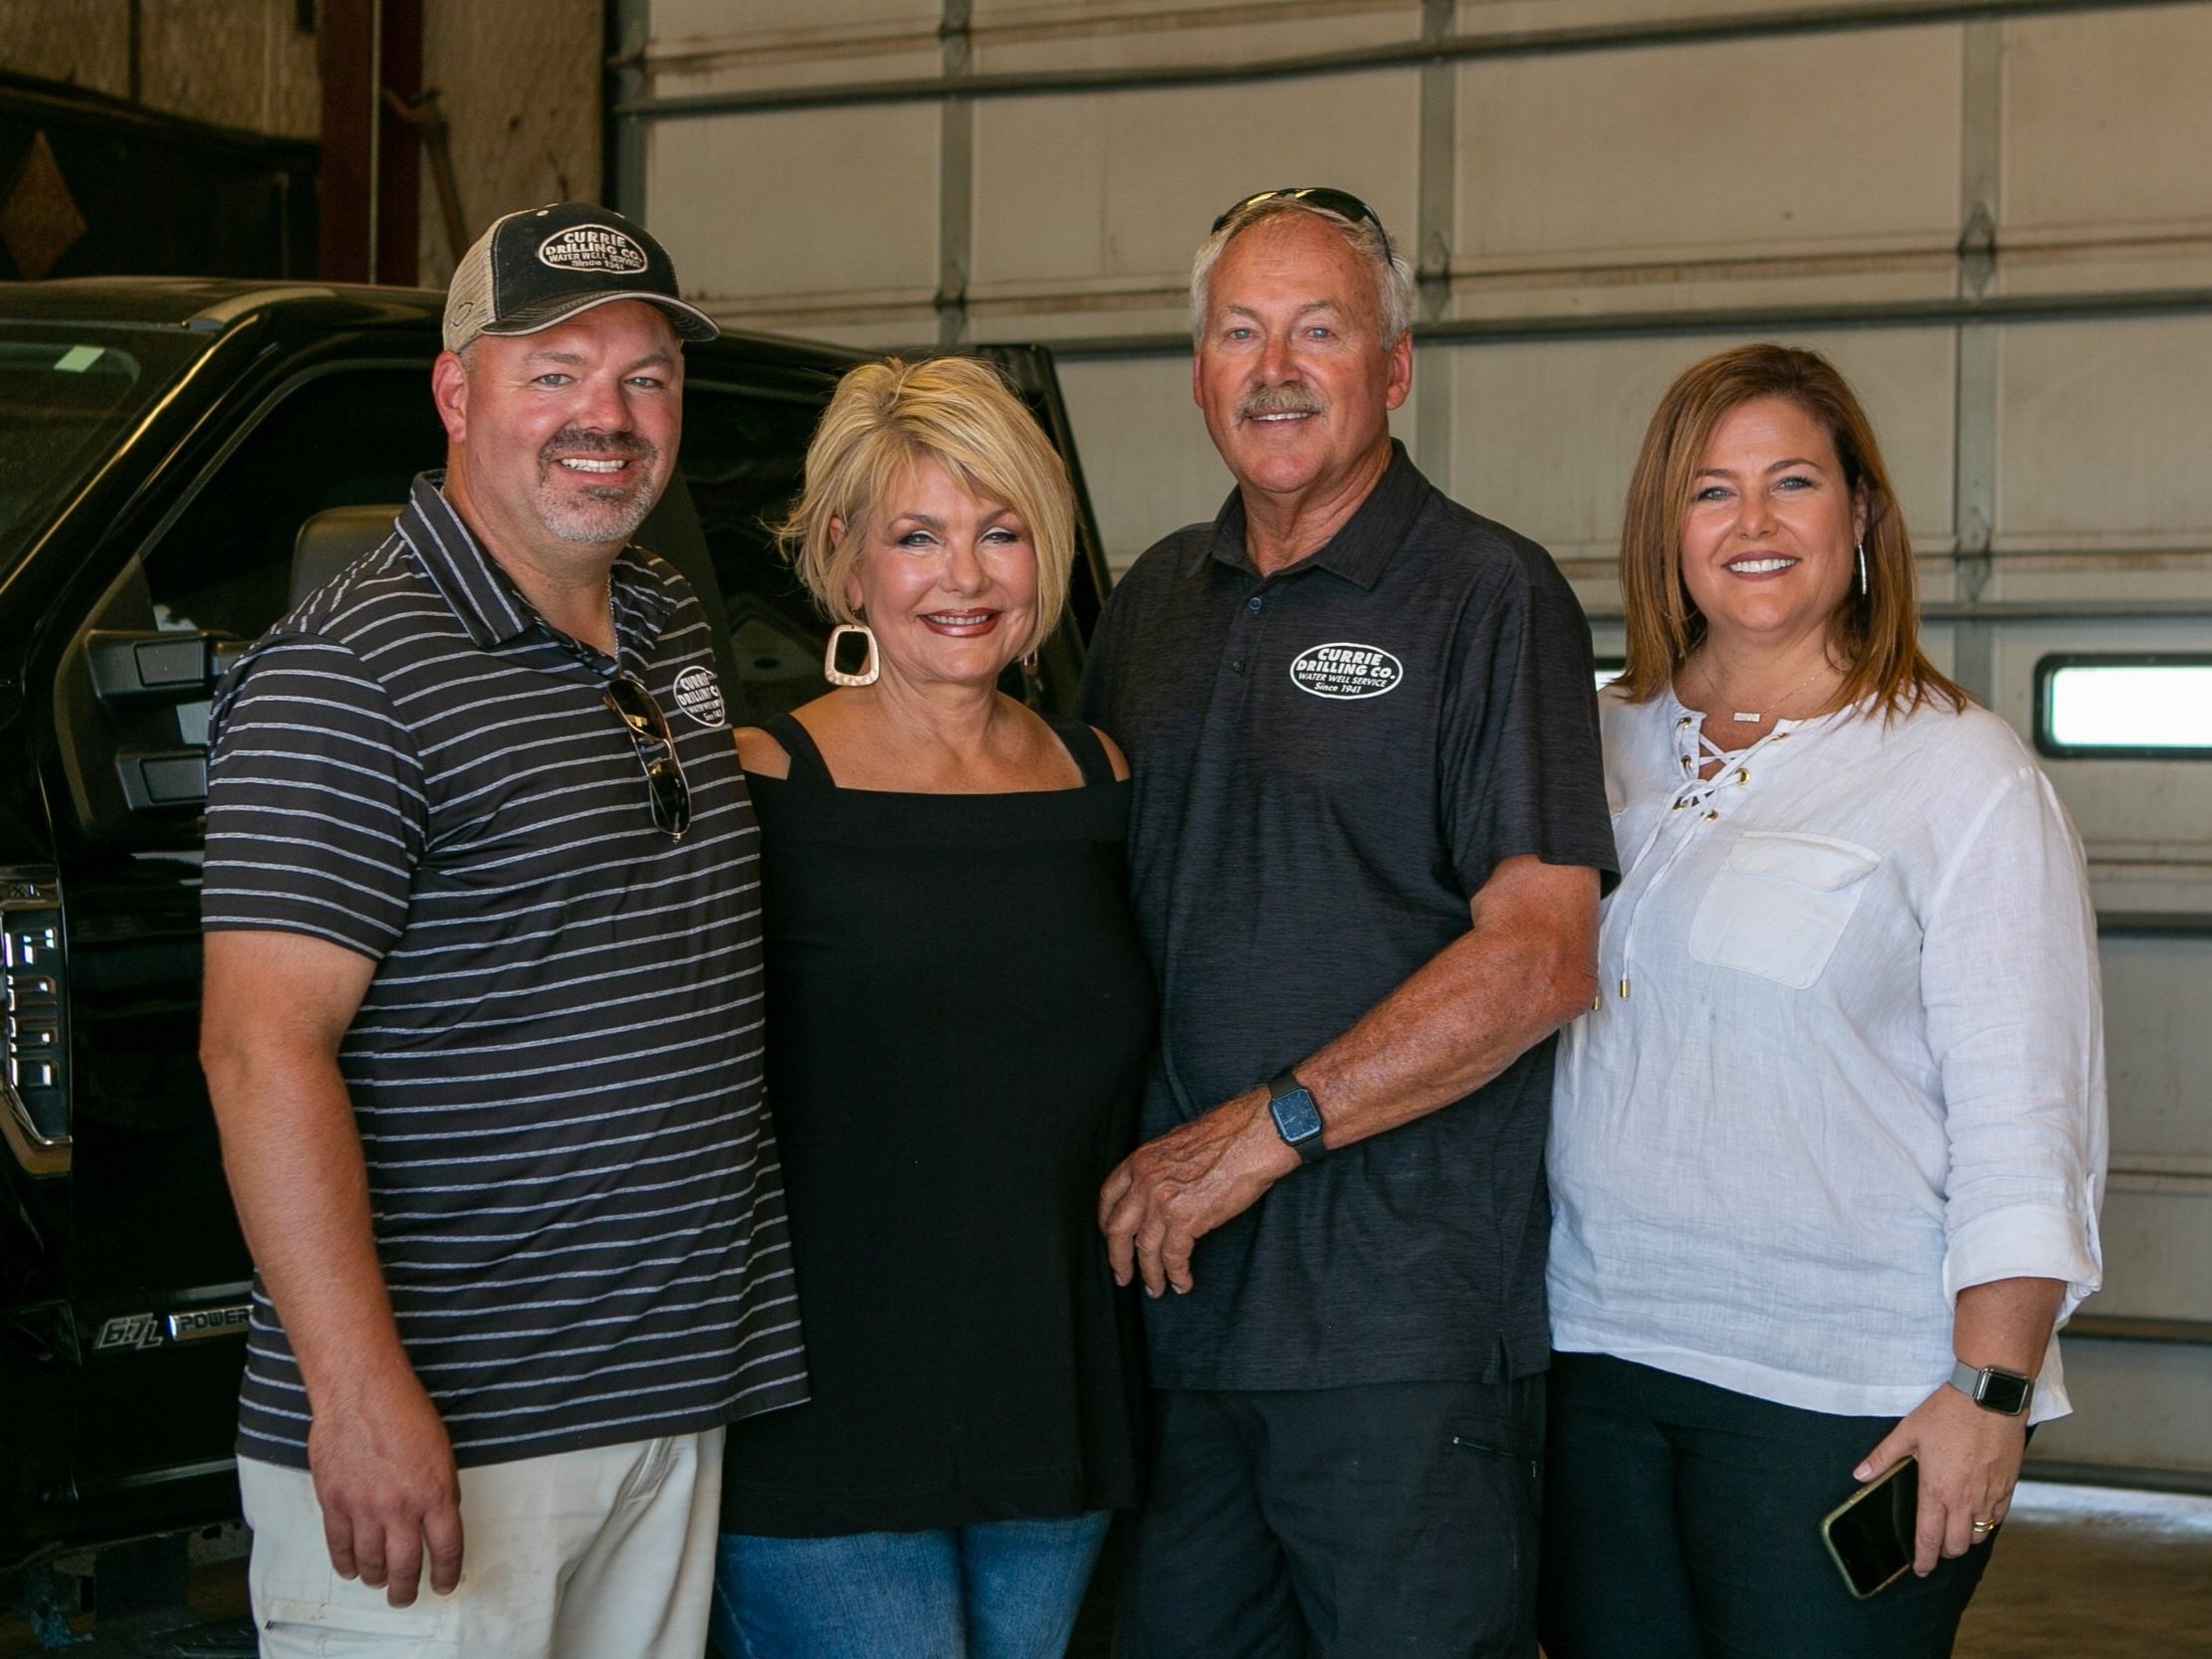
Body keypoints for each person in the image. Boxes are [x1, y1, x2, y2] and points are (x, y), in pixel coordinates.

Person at [198, 202, 807, 1659]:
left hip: (659, 1399)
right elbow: (258, 1046)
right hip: (447, 1435)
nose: (606, 415)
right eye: (554, 371)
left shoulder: (662, 619)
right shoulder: (348, 674)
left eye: (645, 375)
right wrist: (354, 1392)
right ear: (457, 392)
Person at [1077, 187, 1616, 1658]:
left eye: (1319, 329)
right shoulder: (1149, 608)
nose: (1273, 367)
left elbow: (1538, 954)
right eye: (1238, 332)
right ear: (1196, 372)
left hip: (1399, 1338)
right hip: (1173, 1322)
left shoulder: (1486, 596)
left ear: (1392, 367)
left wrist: (1257, 1140)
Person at [1540, 343, 2108, 1659]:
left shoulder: (1959, 775)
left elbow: (2027, 1117)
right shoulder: (1592, 742)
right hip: (1589, 1362)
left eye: (1790, 482)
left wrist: (1990, 1394)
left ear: (1858, 515)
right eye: (1708, 491)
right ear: (1662, 530)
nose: (1750, 524)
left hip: (1840, 1394)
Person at [710, 354, 1151, 1659]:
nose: (963, 577)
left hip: (1052, 1403)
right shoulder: (762, 786)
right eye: (918, 536)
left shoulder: (1097, 775)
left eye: (998, 531)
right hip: (825, 1418)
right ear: (847, 562)